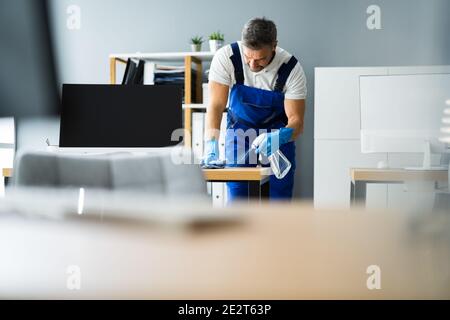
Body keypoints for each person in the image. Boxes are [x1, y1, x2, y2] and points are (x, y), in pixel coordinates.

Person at [203, 17, 307, 201]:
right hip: (240, 134)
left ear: (274, 46)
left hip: (277, 136)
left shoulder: (291, 68)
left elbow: (296, 122)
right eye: (248, 57)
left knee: (279, 199)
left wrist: (280, 137)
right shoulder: (226, 57)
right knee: (238, 198)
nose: (252, 65)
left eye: (260, 59)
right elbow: (216, 105)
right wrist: (211, 144)